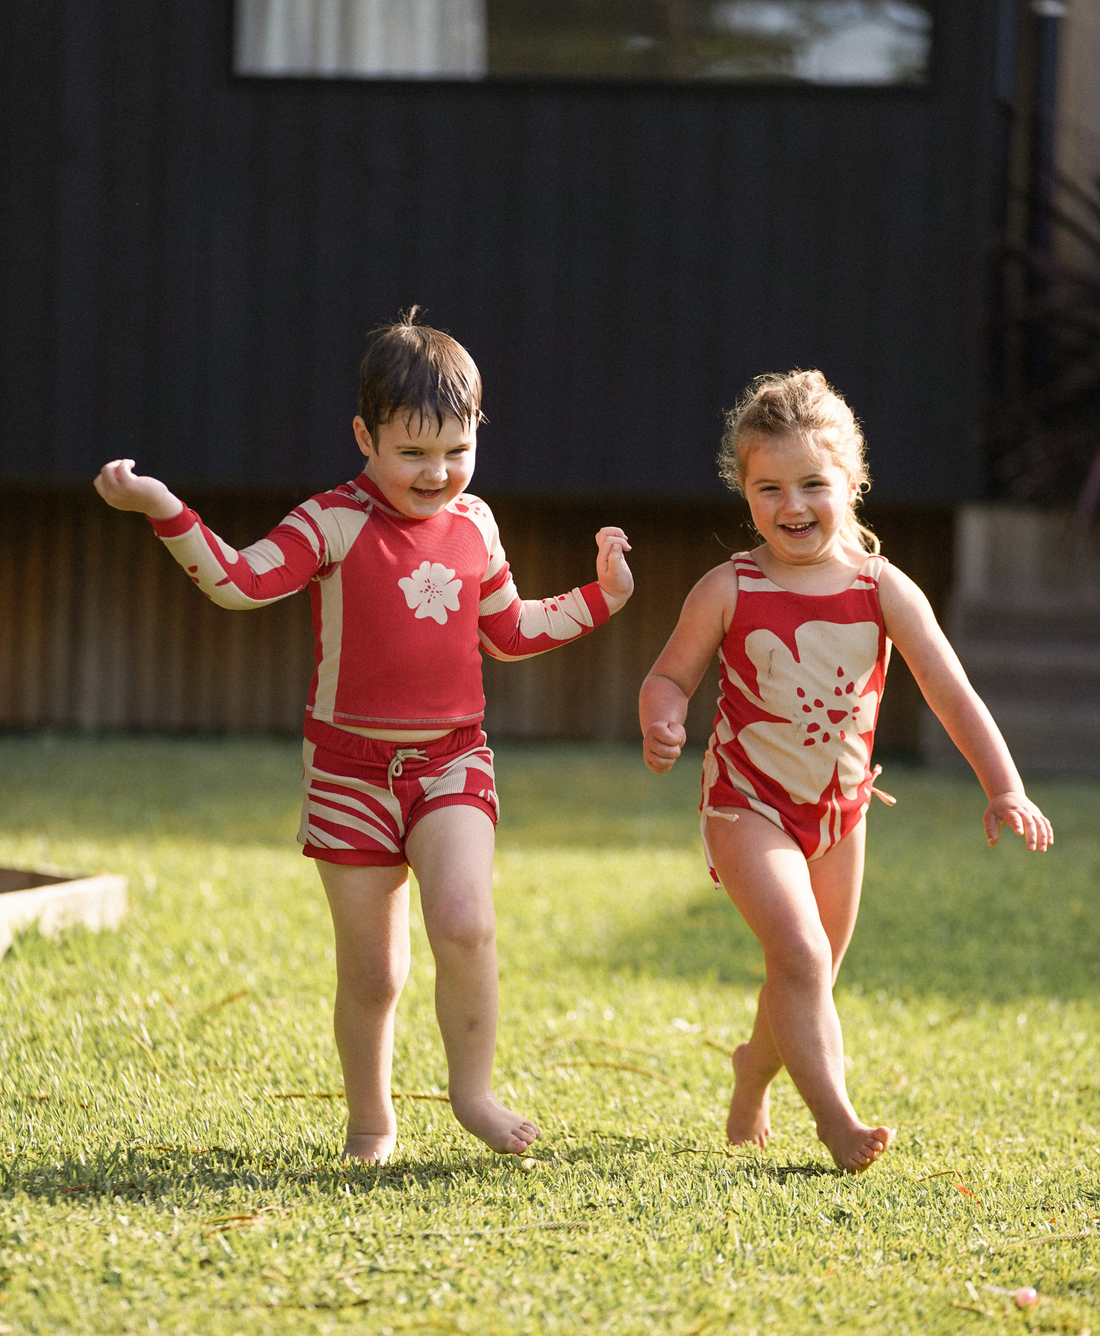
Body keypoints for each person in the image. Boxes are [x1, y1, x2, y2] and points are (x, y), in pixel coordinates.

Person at [94, 311, 634, 1163]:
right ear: (363, 437)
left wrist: (602, 596)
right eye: (413, 452)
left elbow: (509, 630)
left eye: (457, 450)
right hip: (348, 773)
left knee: (465, 921)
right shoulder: (331, 521)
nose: (437, 472)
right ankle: (371, 1121)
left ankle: (473, 1093)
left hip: (452, 760)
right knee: (375, 972)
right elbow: (238, 581)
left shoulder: (476, 524)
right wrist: (160, 506)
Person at [639, 369, 1051, 1173]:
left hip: (839, 812)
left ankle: (752, 1071)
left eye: (812, 484)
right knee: (798, 951)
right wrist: (662, 717)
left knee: (809, 971)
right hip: (747, 805)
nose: (792, 504)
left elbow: (950, 690)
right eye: (769, 488)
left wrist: (1005, 785)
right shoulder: (728, 588)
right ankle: (837, 1119)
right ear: (745, 493)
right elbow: (669, 675)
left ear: (852, 483)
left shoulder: (882, 588)